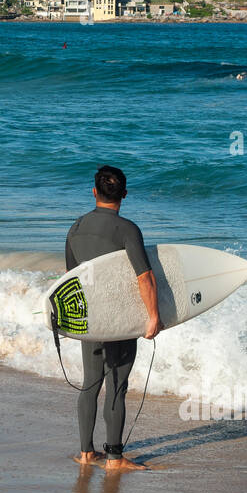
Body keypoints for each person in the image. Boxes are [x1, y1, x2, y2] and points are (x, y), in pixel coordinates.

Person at [65, 165, 159, 472]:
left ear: (94, 192)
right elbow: (145, 277)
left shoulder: (76, 227)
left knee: (89, 384)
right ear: (125, 195)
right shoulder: (127, 229)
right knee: (116, 385)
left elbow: (70, 279)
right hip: (118, 319)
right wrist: (153, 317)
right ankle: (115, 458)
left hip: (89, 319)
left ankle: (86, 453)